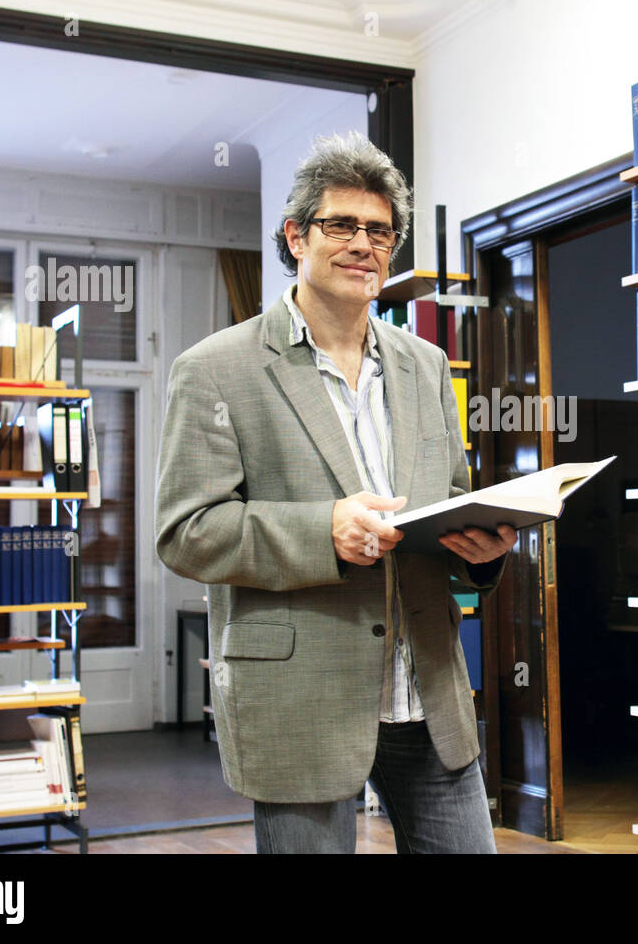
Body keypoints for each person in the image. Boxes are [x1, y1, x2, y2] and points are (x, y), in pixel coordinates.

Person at [155, 131, 515, 854]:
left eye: (379, 232)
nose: (362, 245)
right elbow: (187, 531)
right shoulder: (217, 370)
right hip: (301, 698)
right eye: (340, 225)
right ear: (296, 236)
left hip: (429, 690)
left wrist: (481, 551)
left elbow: (448, 496)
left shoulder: (427, 364)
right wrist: (324, 531)